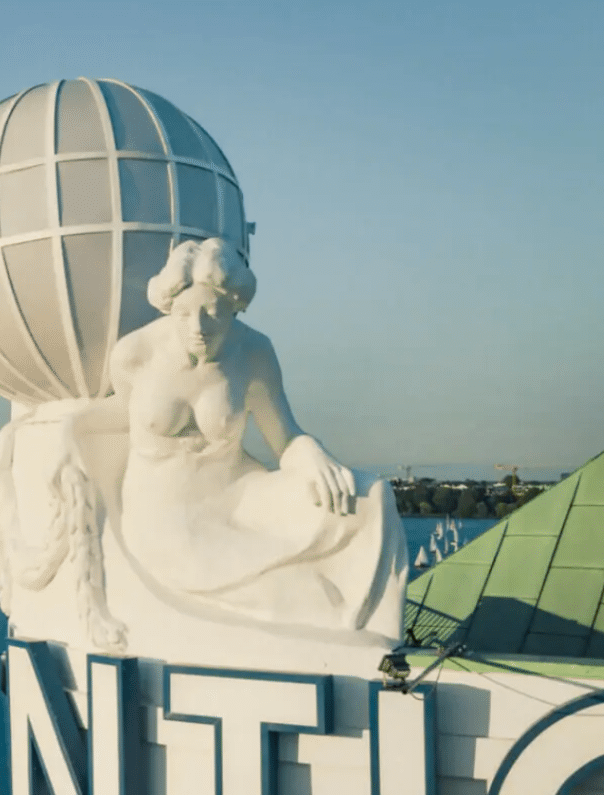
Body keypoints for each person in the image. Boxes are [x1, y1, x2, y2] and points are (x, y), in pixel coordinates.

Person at [76, 237, 405, 635]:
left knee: (367, 499)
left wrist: (310, 451)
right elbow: (120, 416)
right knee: (307, 597)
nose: (198, 328)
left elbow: (284, 437)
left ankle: (382, 641)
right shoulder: (136, 353)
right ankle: (343, 637)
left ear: (235, 306)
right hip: (165, 516)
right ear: (169, 307)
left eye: (213, 313)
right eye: (184, 314)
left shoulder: (253, 352)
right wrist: (65, 430)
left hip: (239, 494)